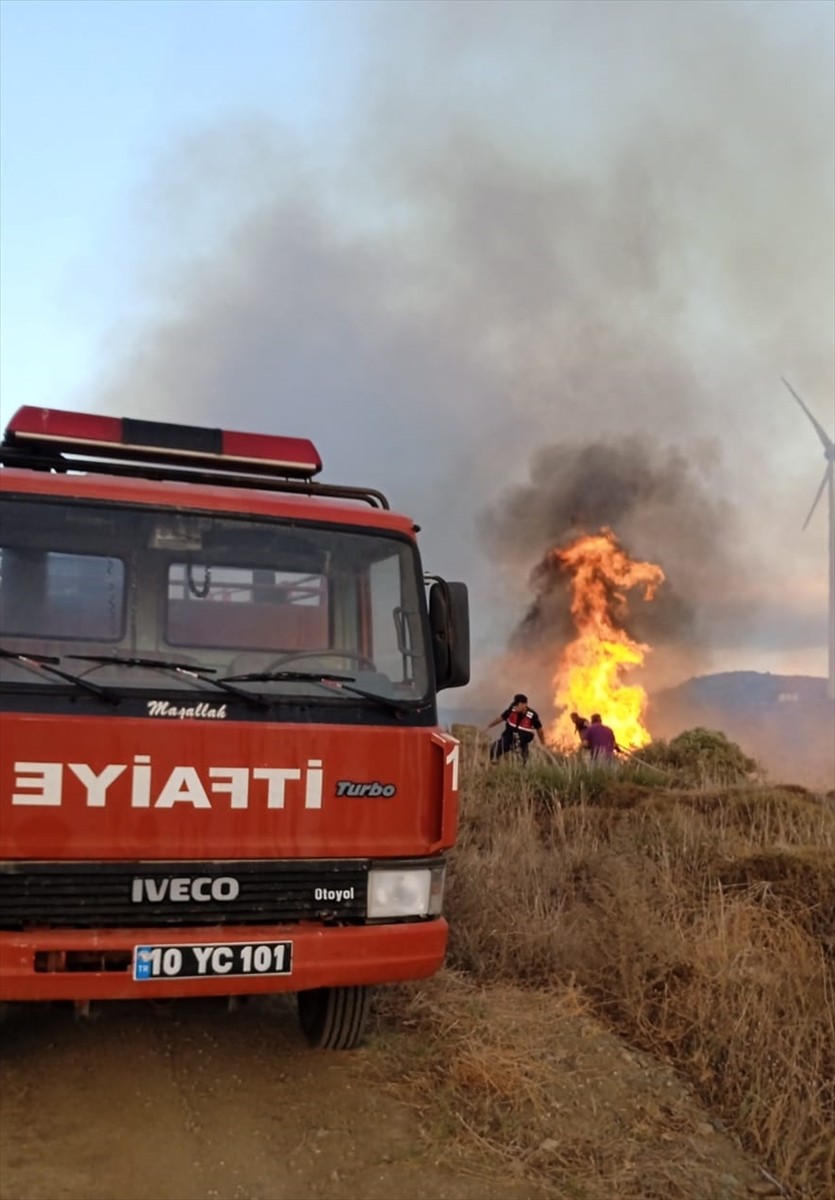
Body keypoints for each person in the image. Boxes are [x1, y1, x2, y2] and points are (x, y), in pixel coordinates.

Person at [484, 693, 545, 764]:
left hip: (522, 741)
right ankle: (495, 764)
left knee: (523, 760)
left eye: (517, 705)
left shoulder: (532, 715)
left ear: (524, 705)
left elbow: (539, 729)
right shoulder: (511, 710)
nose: (515, 706)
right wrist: (489, 726)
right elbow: (501, 718)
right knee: (495, 747)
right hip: (508, 737)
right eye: (515, 704)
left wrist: (543, 743)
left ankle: (522, 766)